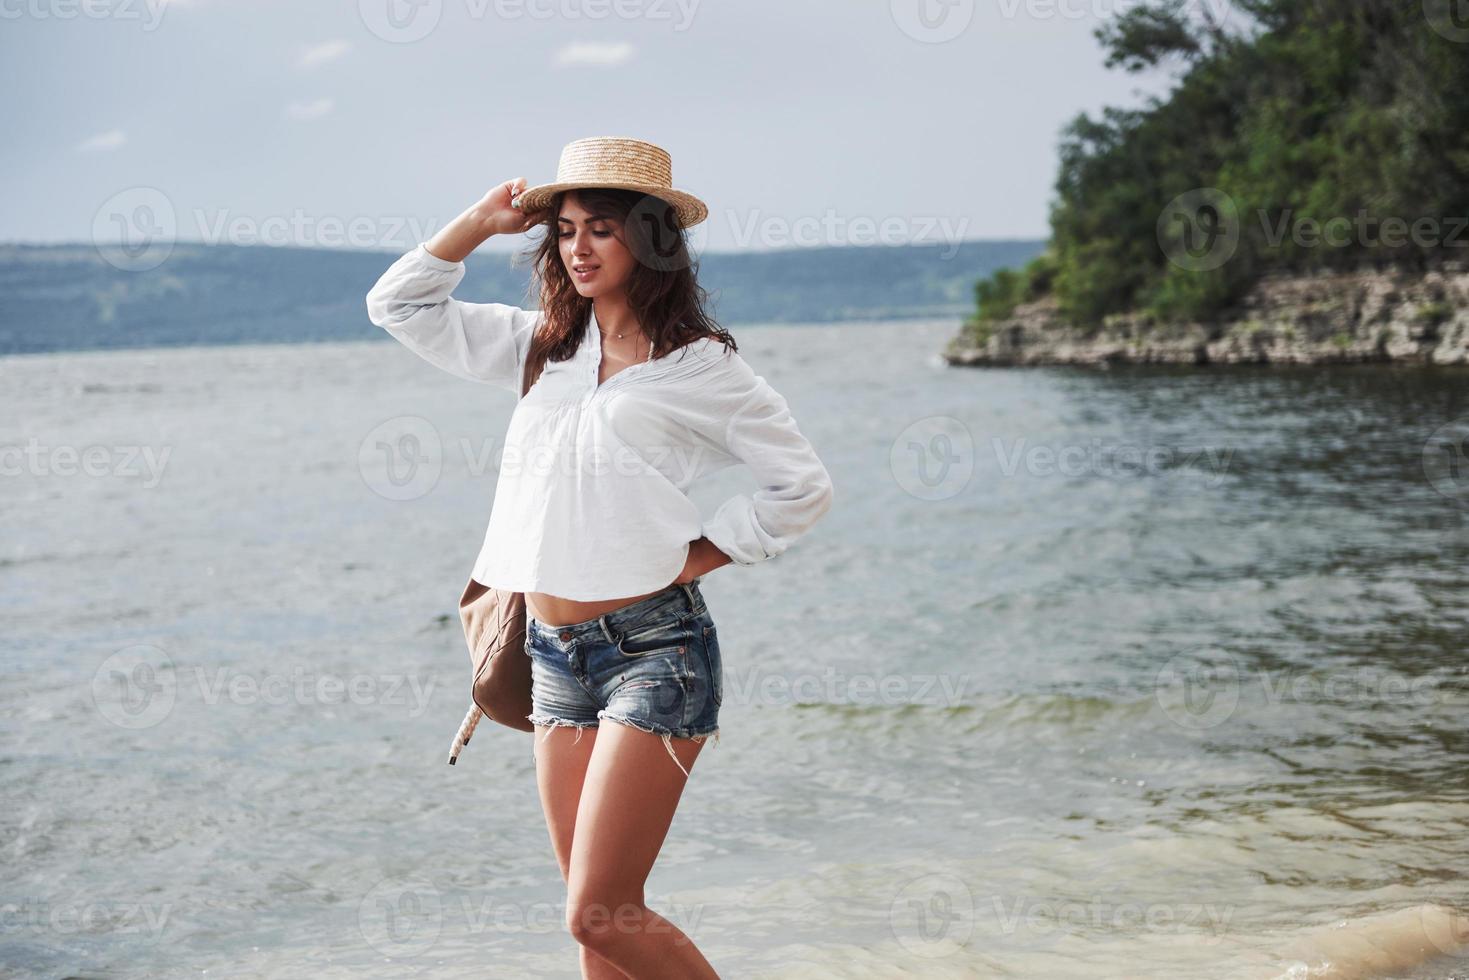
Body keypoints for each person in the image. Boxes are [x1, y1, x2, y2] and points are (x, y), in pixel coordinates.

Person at [364, 137, 834, 978]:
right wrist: (478, 223)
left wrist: (701, 553)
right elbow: (398, 305)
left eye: (601, 229)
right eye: (566, 230)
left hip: (654, 651)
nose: (577, 247)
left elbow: (800, 488)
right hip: (552, 656)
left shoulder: (701, 367)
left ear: (649, 243)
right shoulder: (543, 347)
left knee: (598, 910)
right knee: (593, 927)